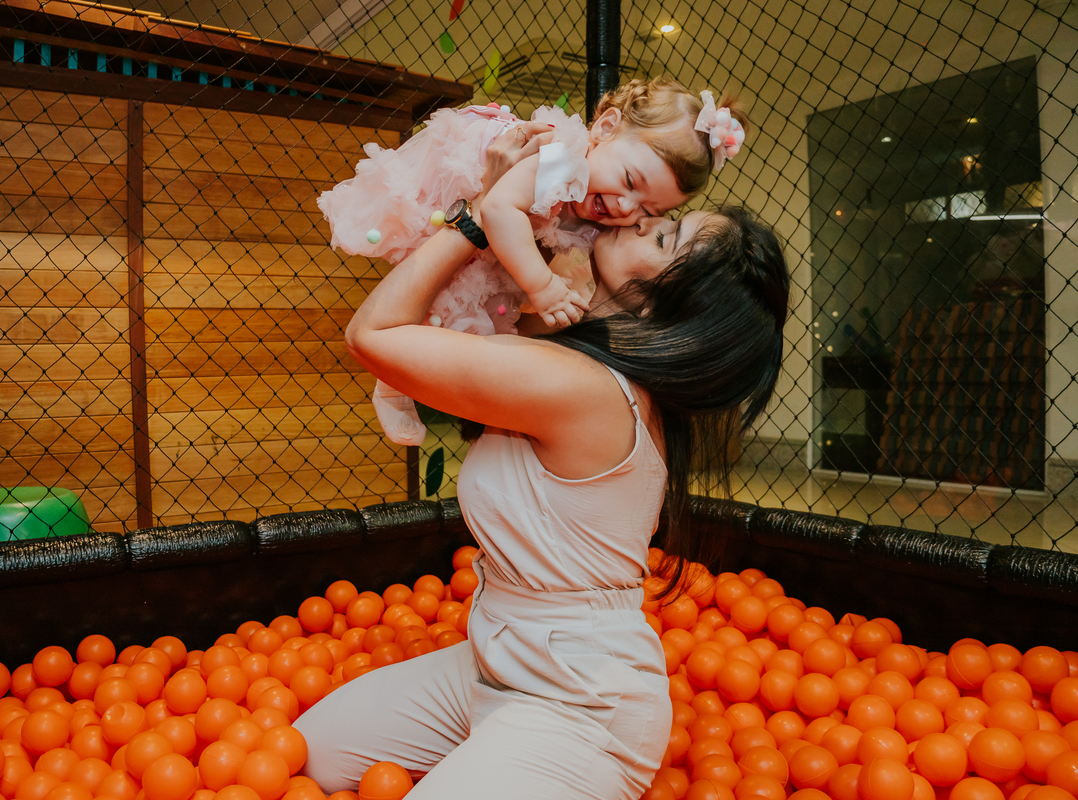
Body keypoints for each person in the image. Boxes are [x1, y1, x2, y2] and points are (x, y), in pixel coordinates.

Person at [291, 123, 791, 799]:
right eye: (664, 216)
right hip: (494, 666)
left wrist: (478, 214)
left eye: (665, 236)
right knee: (301, 754)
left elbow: (373, 335)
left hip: (581, 707)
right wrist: (522, 211)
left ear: (664, 307)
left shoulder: (583, 390)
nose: (643, 218)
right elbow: (478, 328)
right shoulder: (573, 356)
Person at [318, 78, 748, 446]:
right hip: (462, 198)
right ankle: (393, 383)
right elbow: (500, 207)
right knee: (451, 295)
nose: (624, 207)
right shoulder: (562, 158)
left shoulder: (592, 206)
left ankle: (399, 380)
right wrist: (541, 286)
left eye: (649, 210)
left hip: (494, 239)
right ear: (606, 127)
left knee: (475, 306)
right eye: (631, 181)